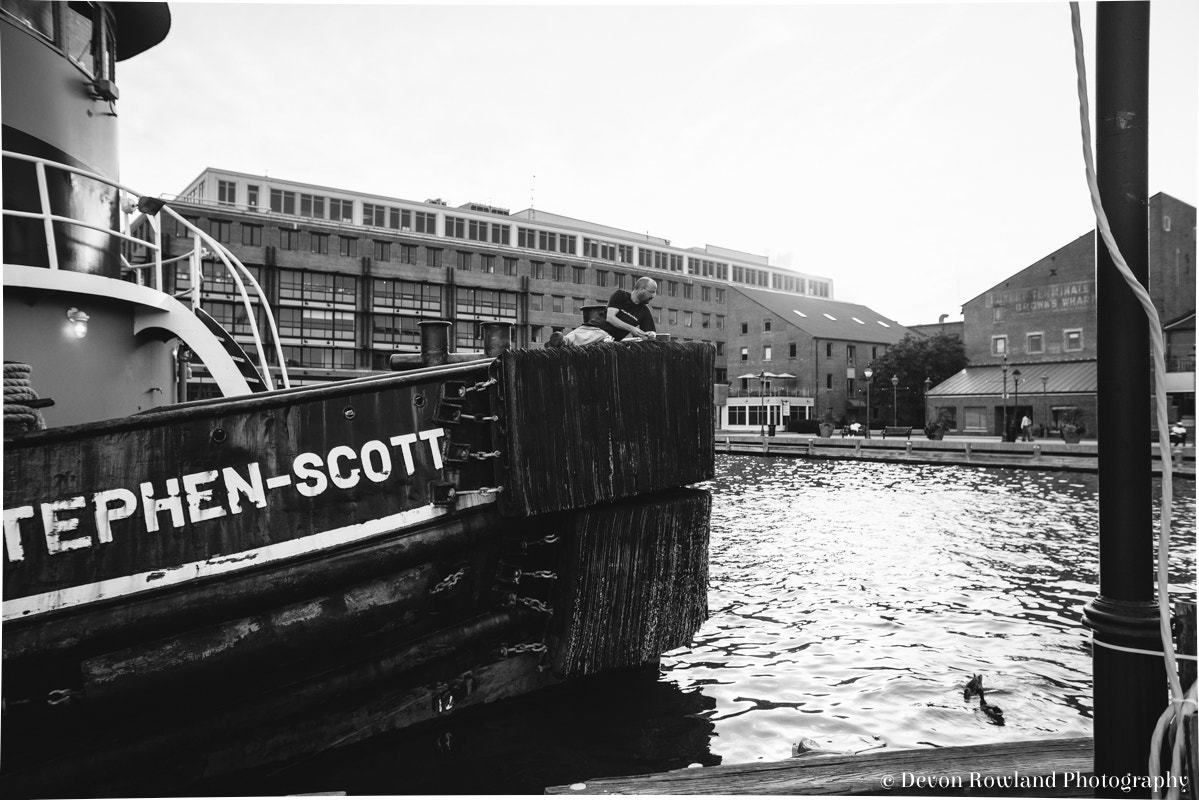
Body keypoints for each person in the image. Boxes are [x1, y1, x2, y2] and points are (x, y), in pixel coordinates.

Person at [549, 277, 658, 346]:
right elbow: (610, 318)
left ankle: (562, 342)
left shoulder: (644, 311)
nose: (654, 296)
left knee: (574, 340)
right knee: (570, 338)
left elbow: (648, 334)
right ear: (640, 289)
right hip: (590, 326)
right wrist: (632, 328)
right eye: (651, 292)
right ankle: (557, 344)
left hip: (606, 336)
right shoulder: (620, 295)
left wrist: (650, 335)